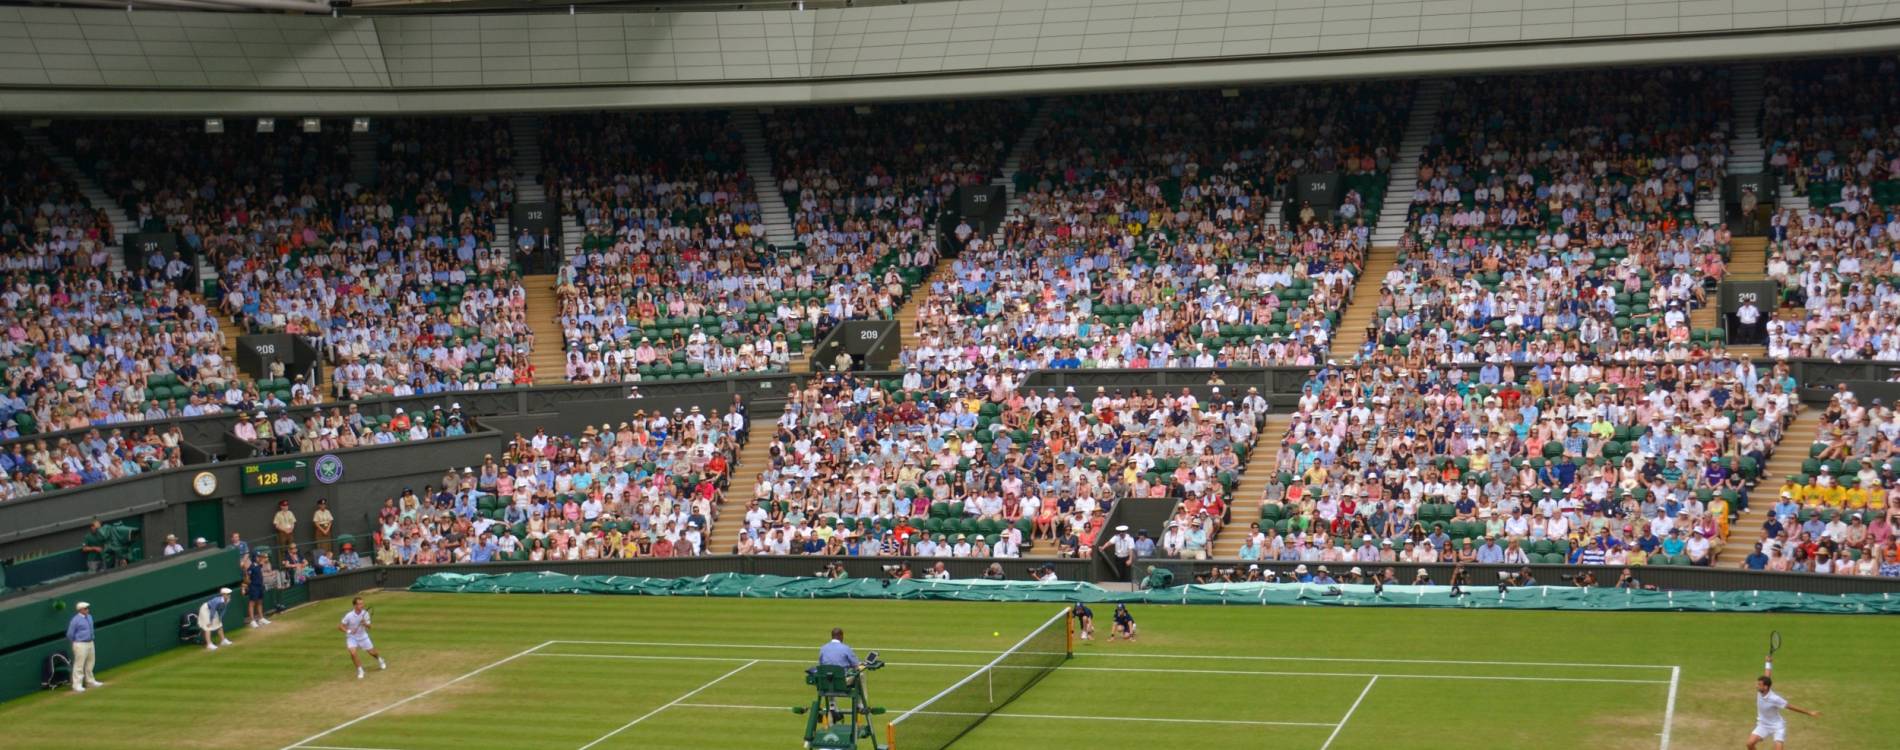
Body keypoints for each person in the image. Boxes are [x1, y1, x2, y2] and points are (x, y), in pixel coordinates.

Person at [1749, 656, 1819, 749]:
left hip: (1777, 726)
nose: (1756, 686)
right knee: (1749, 744)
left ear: (1765, 687)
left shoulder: (1775, 698)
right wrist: (1768, 662)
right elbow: (1767, 676)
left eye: (1759, 685)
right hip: (1763, 724)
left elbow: (1791, 707)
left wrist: (1809, 712)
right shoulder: (1760, 691)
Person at [340, 597, 386, 679]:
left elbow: (369, 627)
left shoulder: (365, 614)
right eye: (360, 604)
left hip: (363, 637)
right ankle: (360, 670)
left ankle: (380, 659)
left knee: (372, 653)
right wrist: (349, 631)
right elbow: (340, 626)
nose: (362, 605)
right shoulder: (349, 615)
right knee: (353, 653)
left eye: (362, 603)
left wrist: (364, 623)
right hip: (352, 638)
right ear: (355, 605)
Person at [67, 601, 102, 692]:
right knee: (79, 664)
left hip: (90, 642)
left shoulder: (89, 617)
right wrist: (77, 641)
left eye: (87, 608)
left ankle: (90, 682)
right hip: (80, 644)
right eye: (86, 608)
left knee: (90, 662)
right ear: (80, 610)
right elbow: (70, 634)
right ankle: (76, 685)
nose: (87, 610)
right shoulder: (75, 620)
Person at [245, 551, 271, 628]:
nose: (259, 558)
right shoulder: (251, 567)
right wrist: (249, 585)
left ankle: (261, 618)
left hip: (260, 586)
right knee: (252, 604)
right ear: (254, 557)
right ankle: (252, 621)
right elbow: (247, 578)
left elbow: (265, 559)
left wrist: (264, 557)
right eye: (258, 556)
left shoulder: (259, 565)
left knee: (260, 602)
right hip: (254, 587)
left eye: (259, 557)